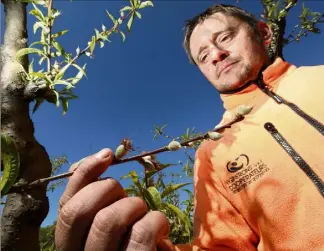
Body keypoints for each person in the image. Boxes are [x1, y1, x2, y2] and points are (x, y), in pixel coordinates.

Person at [55, 4, 324, 251]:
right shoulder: (213, 152)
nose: (217, 55)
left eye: (225, 38)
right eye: (203, 56)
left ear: (263, 32)